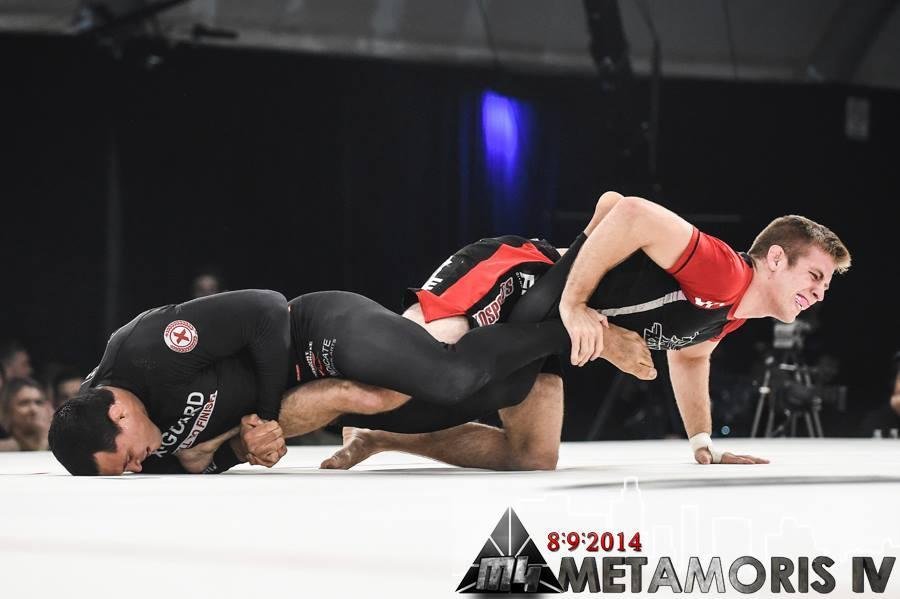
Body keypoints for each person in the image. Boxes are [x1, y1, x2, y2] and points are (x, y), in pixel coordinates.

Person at [322, 191, 851, 469]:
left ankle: (379, 438)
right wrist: (574, 304)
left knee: (533, 456)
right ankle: (276, 387)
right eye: (815, 276)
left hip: (545, 327)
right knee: (405, 370)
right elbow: (632, 210)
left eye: (826, 285)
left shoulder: (729, 311)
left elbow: (690, 357)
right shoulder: (725, 271)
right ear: (776, 258)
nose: (820, 294)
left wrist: (703, 443)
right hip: (518, 276)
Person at [49, 288, 573, 475]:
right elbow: (205, 458)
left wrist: (267, 417)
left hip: (318, 334)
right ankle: (543, 315)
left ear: (119, 412)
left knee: (453, 377)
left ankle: (571, 327)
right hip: (323, 398)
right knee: (496, 393)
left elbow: (266, 309)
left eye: (128, 459)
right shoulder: (138, 446)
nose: (139, 467)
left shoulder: (147, 349)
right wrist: (243, 449)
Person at [0, 377, 52, 451]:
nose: (34, 409)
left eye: (38, 402)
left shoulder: (61, 446)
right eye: (24, 403)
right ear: (7, 410)